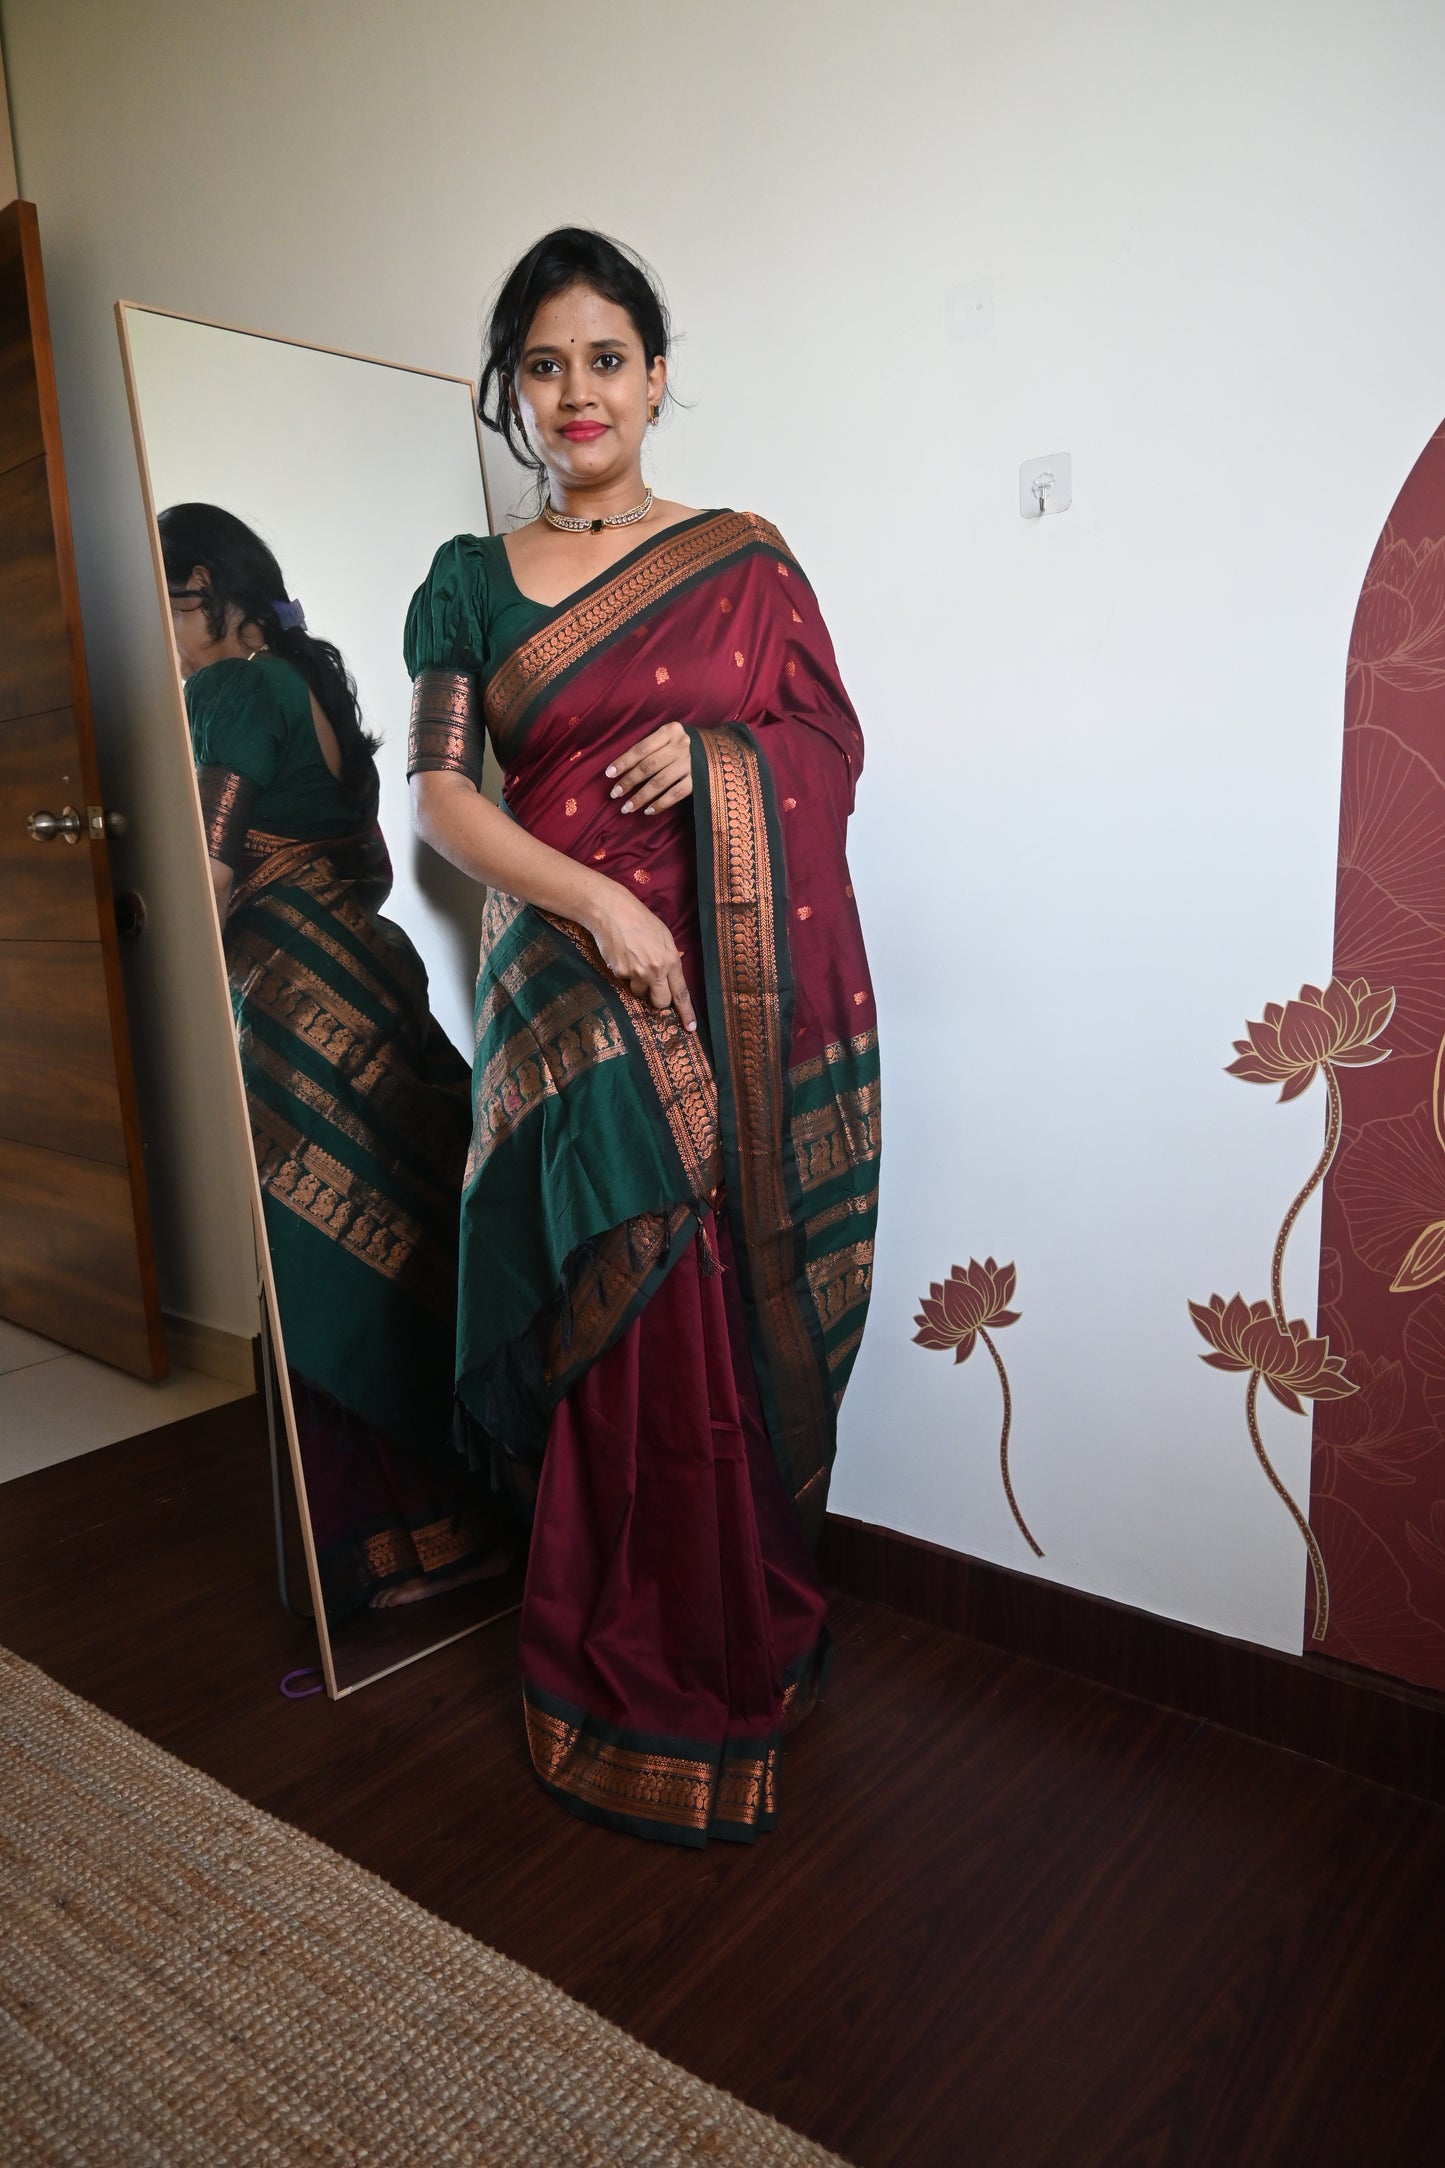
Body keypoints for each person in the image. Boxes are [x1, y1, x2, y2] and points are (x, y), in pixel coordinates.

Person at [405, 229, 879, 1844]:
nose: (578, 390)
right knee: (613, 1318)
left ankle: (722, 1643)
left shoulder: (744, 559)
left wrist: (723, 749)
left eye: (607, 357)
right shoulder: (468, 583)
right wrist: (599, 909)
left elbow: (829, 740)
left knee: (703, 1310)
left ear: (657, 377)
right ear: (515, 395)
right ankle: (611, 1669)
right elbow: (447, 798)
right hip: (567, 1003)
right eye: (545, 363)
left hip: (726, 1000)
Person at [161, 503, 503, 1619]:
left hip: (290, 994)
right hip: (367, 970)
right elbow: (357, 855)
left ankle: (392, 1548)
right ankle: (463, 1519)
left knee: (317, 1254)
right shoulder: (312, 688)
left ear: (203, 583)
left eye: (159, 603)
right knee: (395, 1238)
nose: (158, 635)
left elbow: (209, 872)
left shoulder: (225, 692)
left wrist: (172, 997)